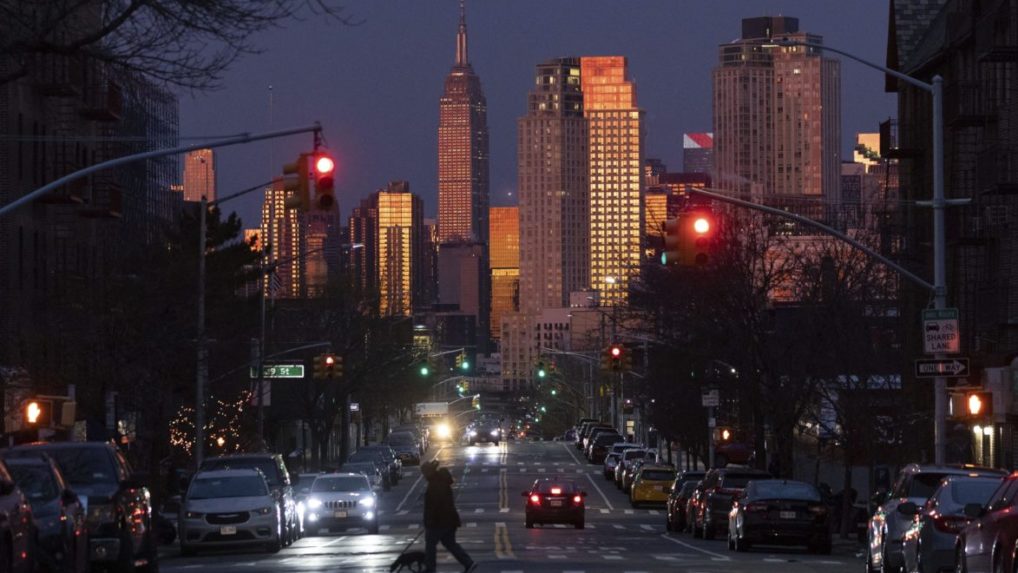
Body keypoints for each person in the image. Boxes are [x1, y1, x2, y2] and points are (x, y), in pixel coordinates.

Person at [421, 460, 476, 573]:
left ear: (429, 472)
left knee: (430, 544)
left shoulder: (435, 484)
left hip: (439, 521)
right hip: (449, 520)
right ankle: (468, 563)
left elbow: (434, 504)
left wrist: (429, 520)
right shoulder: (440, 481)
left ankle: (430, 568)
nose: (424, 476)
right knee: (450, 543)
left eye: (425, 473)